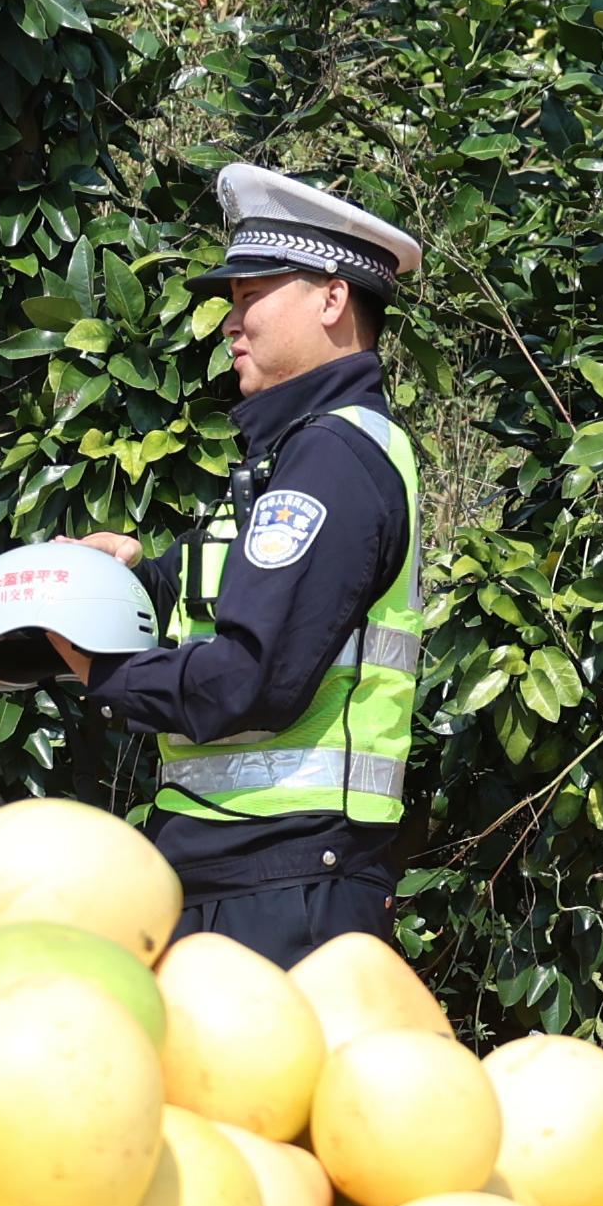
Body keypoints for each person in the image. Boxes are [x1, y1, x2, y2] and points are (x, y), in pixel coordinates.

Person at [57, 164, 426, 968]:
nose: (231, 322)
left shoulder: (332, 458)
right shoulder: (294, 455)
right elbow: (230, 595)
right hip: (245, 877)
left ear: (332, 299)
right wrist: (131, 577)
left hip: (288, 890)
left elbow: (253, 677)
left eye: (251, 294)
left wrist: (107, 675)